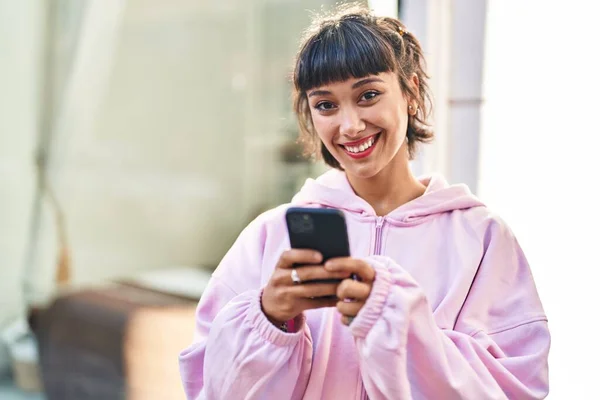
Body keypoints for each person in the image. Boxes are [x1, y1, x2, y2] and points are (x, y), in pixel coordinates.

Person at [179, 4, 550, 399]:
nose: (350, 125)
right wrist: (269, 319)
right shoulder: (269, 236)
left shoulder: (483, 239)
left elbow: (513, 390)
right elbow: (209, 388)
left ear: (409, 92)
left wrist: (395, 318)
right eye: (326, 105)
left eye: (368, 95)